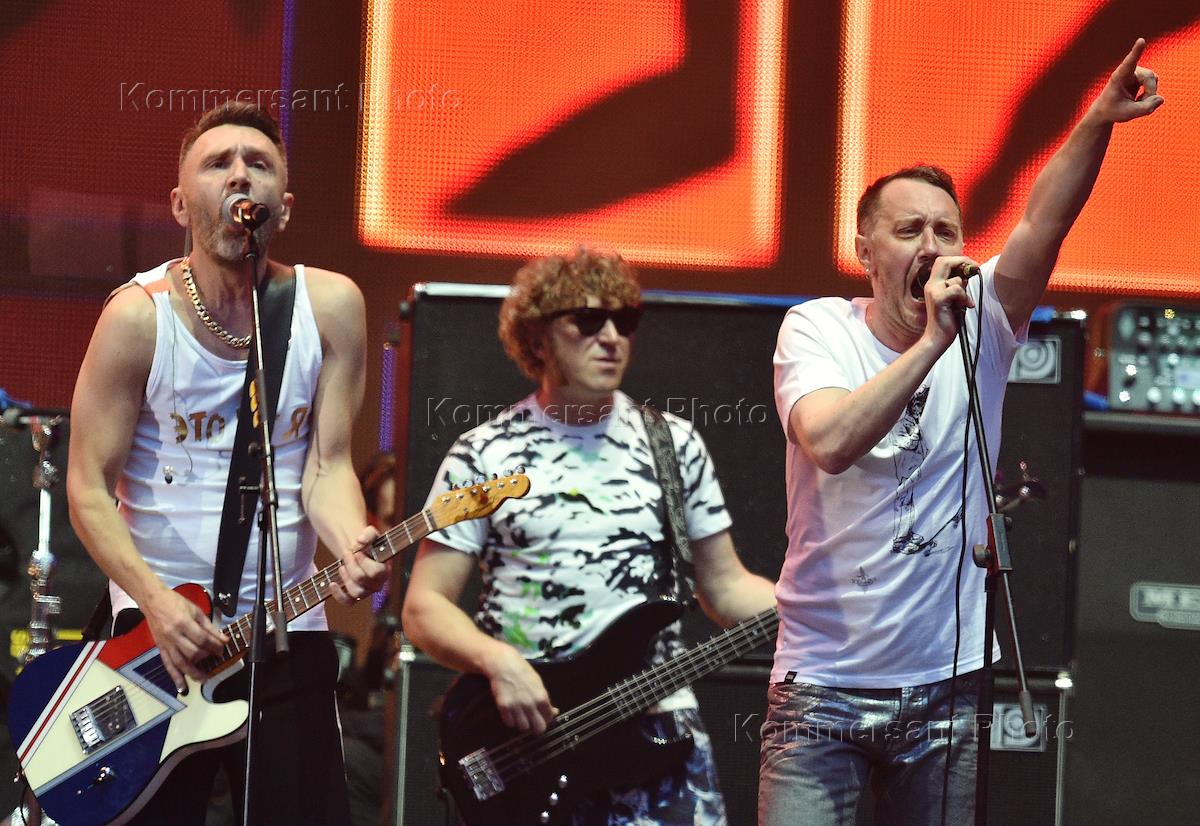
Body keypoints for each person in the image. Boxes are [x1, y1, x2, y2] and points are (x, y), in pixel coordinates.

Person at [759, 39, 1162, 824]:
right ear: (865, 250)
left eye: (947, 232)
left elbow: (1045, 220)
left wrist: (1099, 120)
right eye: (909, 229)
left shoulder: (986, 322)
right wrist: (931, 343)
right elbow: (830, 442)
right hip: (822, 688)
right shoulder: (817, 329)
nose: (933, 247)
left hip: (944, 688)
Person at [66, 101, 390, 825]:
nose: (241, 175)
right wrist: (155, 602)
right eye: (218, 163)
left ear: (285, 205)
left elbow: (327, 466)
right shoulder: (137, 317)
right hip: (153, 640)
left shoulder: (330, 307)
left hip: (285, 630)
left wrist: (350, 541)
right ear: (181, 204)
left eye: (259, 164)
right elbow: (87, 488)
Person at [401, 247, 776, 824]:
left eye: (624, 321)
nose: (611, 338)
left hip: (658, 731)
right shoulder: (485, 454)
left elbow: (725, 588)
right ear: (537, 338)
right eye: (587, 320)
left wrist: (813, 605)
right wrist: (499, 663)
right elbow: (424, 607)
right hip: (531, 739)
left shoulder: (672, 443)